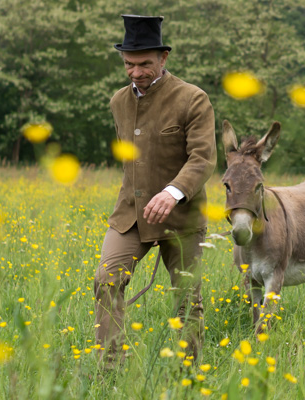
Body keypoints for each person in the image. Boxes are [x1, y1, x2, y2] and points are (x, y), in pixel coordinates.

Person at [93, 14, 216, 369]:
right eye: (129, 64)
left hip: (183, 217)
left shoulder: (193, 99)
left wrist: (174, 191)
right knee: (106, 280)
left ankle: (190, 373)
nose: (136, 72)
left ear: (163, 58)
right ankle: (110, 371)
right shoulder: (118, 101)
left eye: (144, 64)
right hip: (130, 215)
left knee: (187, 300)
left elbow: (203, 158)